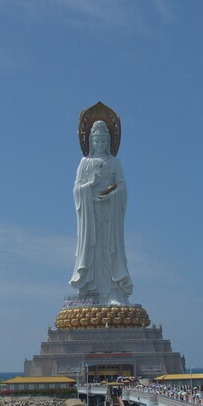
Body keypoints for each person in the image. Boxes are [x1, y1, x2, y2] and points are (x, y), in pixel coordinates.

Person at [70, 119, 132, 305]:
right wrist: (91, 185)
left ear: (109, 142)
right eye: (97, 141)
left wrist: (112, 196)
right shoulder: (85, 162)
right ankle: (90, 289)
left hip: (110, 214)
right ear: (91, 141)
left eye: (104, 141)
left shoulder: (114, 162)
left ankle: (113, 291)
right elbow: (76, 190)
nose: (100, 145)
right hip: (91, 215)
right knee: (92, 248)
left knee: (109, 249)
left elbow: (122, 188)